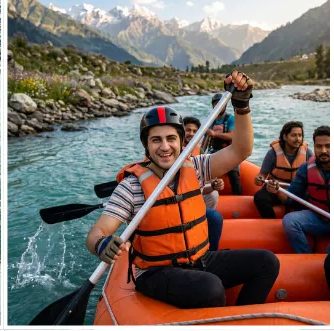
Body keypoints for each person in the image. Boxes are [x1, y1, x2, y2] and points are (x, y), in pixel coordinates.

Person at [85, 72, 280, 310]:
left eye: (171, 138)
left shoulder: (195, 167)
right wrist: (102, 244)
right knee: (210, 288)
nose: (165, 147)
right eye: (156, 140)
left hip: (200, 259)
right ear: (146, 145)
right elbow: (97, 232)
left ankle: (243, 317)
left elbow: (241, 150)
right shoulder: (132, 186)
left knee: (266, 262)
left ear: (181, 141)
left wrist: (242, 106)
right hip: (156, 272)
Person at [278, 125, 330, 254]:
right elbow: (291, 197)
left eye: (328, 146)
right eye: (318, 146)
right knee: (290, 221)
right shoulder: (306, 168)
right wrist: (277, 190)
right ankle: (305, 257)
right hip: (320, 218)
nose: (323, 150)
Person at [253, 121, 312, 219]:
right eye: (293, 135)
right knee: (260, 198)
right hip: (276, 189)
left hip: (297, 190)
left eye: (300, 135)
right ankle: (272, 222)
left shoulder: (308, 153)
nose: (297, 139)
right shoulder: (272, 153)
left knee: (312, 199)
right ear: (285, 137)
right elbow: (262, 175)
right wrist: (259, 179)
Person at [182, 115, 224, 249]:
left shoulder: (199, 152)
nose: (191, 134)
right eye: (188, 130)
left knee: (213, 194)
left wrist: (213, 186)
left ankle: (201, 224)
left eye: (195, 131)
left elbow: (204, 184)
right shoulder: (171, 150)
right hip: (178, 197)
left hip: (194, 194)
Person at [205, 92, 242, 195]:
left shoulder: (230, 119)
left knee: (234, 175)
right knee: (206, 174)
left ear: (225, 105)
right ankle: (209, 195)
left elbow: (232, 136)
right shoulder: (210, 120)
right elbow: (205, 139)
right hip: (214, 152)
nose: (218, 106)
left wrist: (214, 134)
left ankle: (237, 198)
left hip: (229, 152)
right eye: (216, 104)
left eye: (221, 104)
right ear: (213, 105)